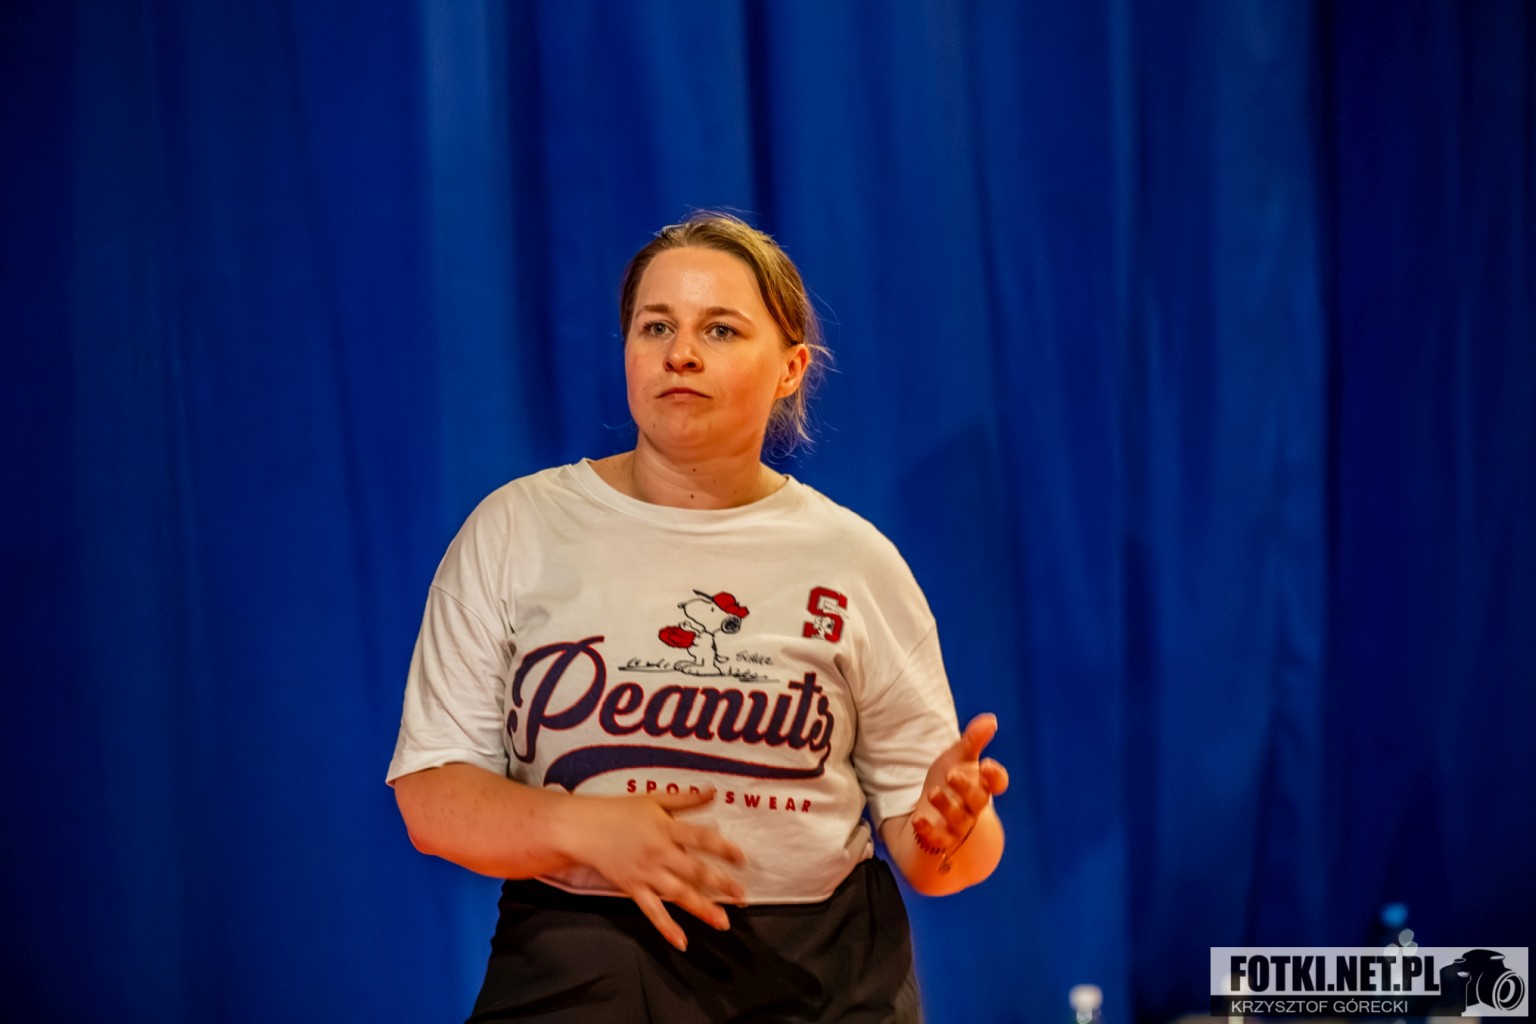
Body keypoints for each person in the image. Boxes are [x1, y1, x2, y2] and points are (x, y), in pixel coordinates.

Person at [388, 212, 1009, 1023]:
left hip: (816, 984)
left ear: (790, 369)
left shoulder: (855, 561)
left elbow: (942, 860)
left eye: (720, 329)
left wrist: (950, 830)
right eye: (656, 327)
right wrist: (582, 827)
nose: (680, 353)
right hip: (575, 970)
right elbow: (433, 798)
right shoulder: (518, 529)